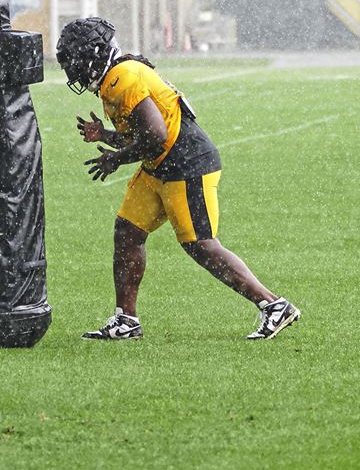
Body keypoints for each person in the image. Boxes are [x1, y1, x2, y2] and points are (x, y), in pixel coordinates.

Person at [56, 17, 300, 341]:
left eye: (75, 59)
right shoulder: (117, 75)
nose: (72, 70)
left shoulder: (122, 77)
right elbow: (143, 135)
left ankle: (274, 305)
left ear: (95, 54)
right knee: (127, 232)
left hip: (186, 162)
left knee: (201, 245)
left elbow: (155, 136)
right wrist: (106, 135)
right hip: (159, 164)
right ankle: (126, 320)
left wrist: (115, 159)